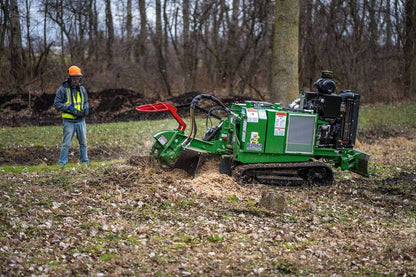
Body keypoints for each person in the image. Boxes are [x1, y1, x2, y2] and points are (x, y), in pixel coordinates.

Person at [53, 65, 90, 166]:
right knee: (66, 144)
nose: (76, 79)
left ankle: (84, 162)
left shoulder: (82, 89)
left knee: (83, 143)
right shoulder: (62, 90)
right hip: (69, 121)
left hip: (81, 120)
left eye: (78, 77)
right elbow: (56, 104)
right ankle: (62, 163)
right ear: (69, 77)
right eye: (74, 77)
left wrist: (86, 108)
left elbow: (86, 101)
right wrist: (69, 108)